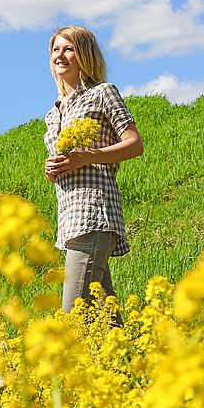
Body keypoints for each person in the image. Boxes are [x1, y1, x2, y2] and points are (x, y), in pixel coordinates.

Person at [43, 25, 144, 317]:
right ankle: (131, 362)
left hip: (94, 212)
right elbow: (67, 160)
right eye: (55, 50)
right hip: (69, 217)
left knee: (74, 315)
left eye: (68, 49)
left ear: (84, 54)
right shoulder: (53, 112)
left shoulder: (102, 94)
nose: (60, 56)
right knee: (105, 315)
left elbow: (134, 144)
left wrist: (85, 158)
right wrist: (54, 169)